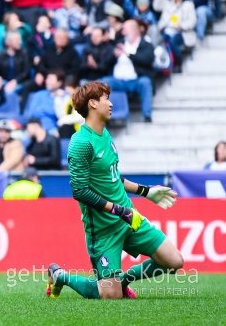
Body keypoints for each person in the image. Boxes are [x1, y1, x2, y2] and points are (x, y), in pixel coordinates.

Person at [46, 81, 183, 300]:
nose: (111, 104)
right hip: (103, 229)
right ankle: (60, 275)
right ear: (92, 104)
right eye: (105, 99)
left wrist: (147, 192)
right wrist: (118, 210)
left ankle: (124, 280)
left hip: (129, 218)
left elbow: (113, 177)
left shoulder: (105, 135)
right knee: (110, 296)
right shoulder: (80, 142)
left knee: (174, 261)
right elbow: (80, 191)